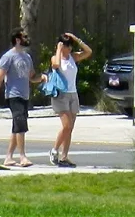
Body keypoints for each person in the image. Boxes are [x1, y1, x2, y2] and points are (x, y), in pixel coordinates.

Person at [0, 30, 43, 167]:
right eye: (24, 36)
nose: (27, 38)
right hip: (13, 95)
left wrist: (42, 78)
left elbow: (31, 77)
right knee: (20, 124)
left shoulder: (27, 57)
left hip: (24, 95)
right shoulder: (8, 57)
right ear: (17, 40)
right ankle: (22, 156)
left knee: (17, 127)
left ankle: (8, 157)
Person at [46, 31, 91, 167]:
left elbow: (88, 52)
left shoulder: (73, 57)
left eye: (70, 46)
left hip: (73, 94)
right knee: (66, 125)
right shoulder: (55, 57)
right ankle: (54, 150)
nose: (69, 48)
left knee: (70, 128)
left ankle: (64, 156)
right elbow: (57, 65)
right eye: (67, 46)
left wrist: (76, 39)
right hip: (61, 94)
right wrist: (59, 50)